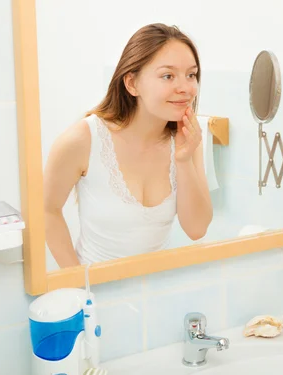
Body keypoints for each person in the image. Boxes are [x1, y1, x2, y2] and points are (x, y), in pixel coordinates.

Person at [44, 23, 212, 268]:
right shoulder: (83, 139)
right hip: (96, 293)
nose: (185, 88)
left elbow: (197, 229)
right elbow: (46, 211)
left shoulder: (188, 139)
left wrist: (185, 160)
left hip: (154, 292)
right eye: (168, 76)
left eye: (191, 74)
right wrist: (78, 283)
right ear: (132, 83)